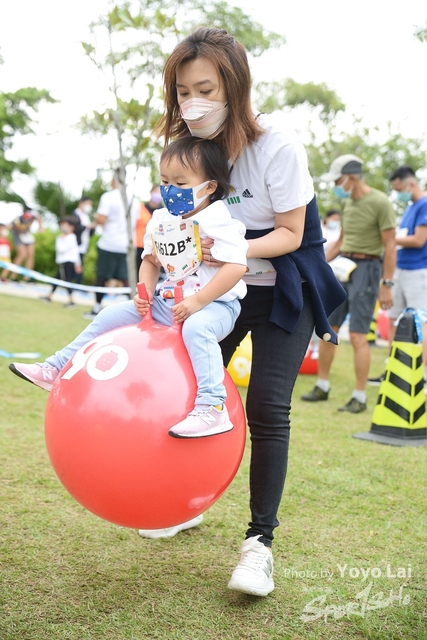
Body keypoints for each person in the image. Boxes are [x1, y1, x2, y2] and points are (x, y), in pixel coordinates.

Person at [9, 27, 345, 597]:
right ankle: (184, 500)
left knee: (266, 409)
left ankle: (259, 544)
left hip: (278, 289)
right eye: (183, 92)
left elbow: (292, 234)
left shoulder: (278, 147)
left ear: (234, 85)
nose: (193, 104)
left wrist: (228, 250)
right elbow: (171, 230)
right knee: (185, 393)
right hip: (207, 292)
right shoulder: (187, 149)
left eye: (205, 90)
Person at [10, 135, 248, 436]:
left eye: (180, 183)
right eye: (165, 181)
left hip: (216, 306)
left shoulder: (219, 220)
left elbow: (237, 266)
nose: (170, 190)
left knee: (197, 328)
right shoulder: (161, 218)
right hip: (168, 303)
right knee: (110, 315)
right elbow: (150, 261)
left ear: (210, 187)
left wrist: (199, 301)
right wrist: (144, 294)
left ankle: (212, 406)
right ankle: (56, 367)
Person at [302, 154, 396, 413]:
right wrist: (316, 265)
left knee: (357, 335)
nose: (336, 186)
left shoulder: (380, 201)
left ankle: (360, 396)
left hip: (368, 268)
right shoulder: (347, 204)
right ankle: (322, 386)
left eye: (338, 181)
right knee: (327, 329)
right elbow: (341, 241)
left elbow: (390, 245)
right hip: (343, 267)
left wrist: (387, 283)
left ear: (352, 178)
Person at [369, 166, 427, 384]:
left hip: (417, 271)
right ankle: (393, 372)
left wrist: (387, 238)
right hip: (399, 270)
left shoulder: (424, 204)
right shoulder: (410, 208)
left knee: (420, 323)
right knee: (394, 320)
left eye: (399, 188)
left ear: (410, 184)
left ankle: (422, 377)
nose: (398, 193)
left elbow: (418, 240)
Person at [82, 173, 140, 320]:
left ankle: (96, 308)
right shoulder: (134, 200)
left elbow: (101, 219)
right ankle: (135, 312)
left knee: (101, 277)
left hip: (109, 244)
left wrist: (95, 218)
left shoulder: (108, 197)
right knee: (127, 280)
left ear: (114, 180)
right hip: (127, 245)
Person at [40, 216, 82, 308]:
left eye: (64, 224)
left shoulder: (69, 237)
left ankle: (71, 301)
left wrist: (78, 264)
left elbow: (62, 250)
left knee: (66, 281)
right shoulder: (67, 237)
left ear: (71, 227)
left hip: (67, 262)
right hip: (64, 262)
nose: (62, 226)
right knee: (57, 279)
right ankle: (49, 296)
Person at [1, 206, 44, 281]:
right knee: (22, 255)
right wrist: (3, 233)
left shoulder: (34, 215)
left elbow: (39, 219)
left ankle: (27, 277)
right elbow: (8, 226)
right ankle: (13, 276)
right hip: (17, 235)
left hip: (27, 234)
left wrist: (41, 227)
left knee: (30, 254)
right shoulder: (18, 219)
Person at [134, 184, 163, 274]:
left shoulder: (164, 212)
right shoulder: (140, 208)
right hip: (140, 246)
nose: (158, 194)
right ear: (151, 192)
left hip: (158, 248)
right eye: (156, 192)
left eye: (160, 193)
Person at [70, 196, 95, 284]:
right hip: (75, 244)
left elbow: (89, 233)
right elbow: (74, 228)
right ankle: (76, 285)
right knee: (73, 266)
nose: (89, 206)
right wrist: (86, 226)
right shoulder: (75, 214)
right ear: (81, 203)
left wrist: (92, 227)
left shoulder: (86, 216)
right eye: (87, 204)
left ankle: (76, 285)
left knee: (78, 266)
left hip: (83, 245)